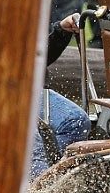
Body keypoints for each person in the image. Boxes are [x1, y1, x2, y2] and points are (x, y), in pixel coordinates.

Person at [31, 13, 91, 181]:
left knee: (77, 121)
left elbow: (36, 59)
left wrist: (60, 31)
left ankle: (59, 185)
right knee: (37, 142)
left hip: (28, 87)